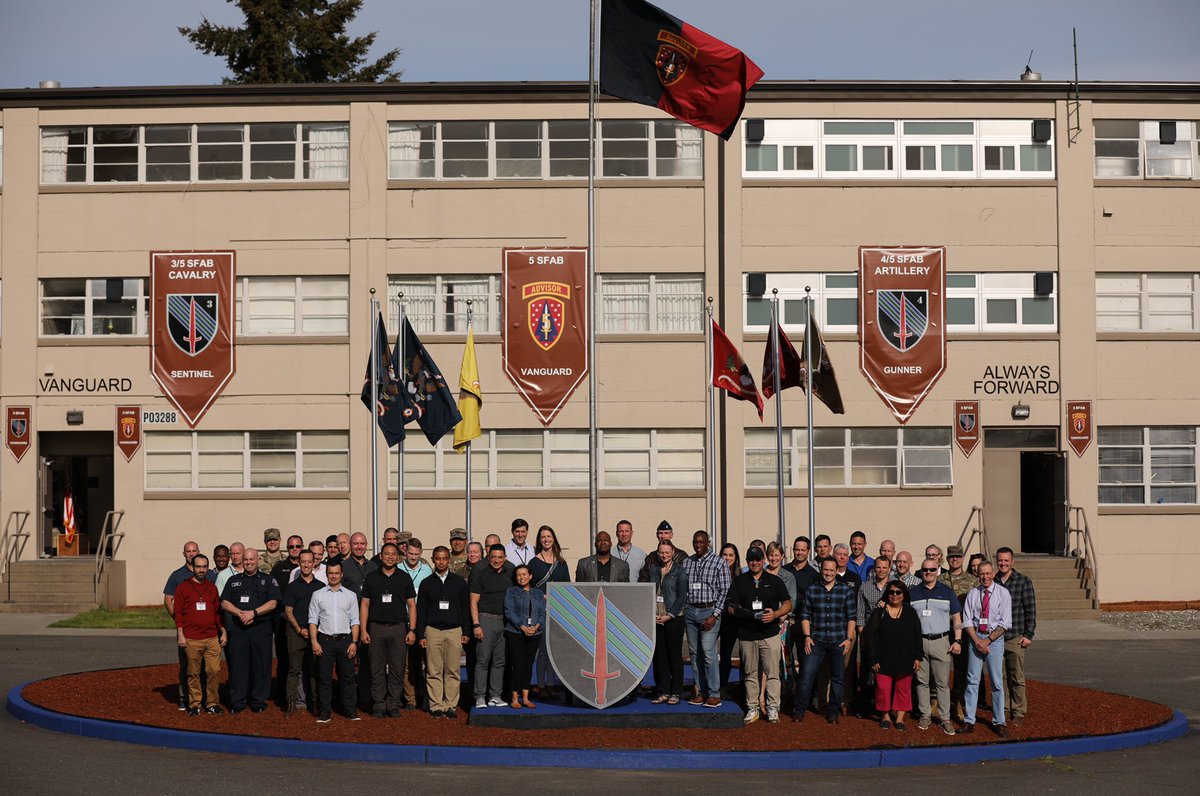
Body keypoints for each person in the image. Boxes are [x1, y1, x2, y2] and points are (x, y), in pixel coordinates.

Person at [727, 546, 792, 724]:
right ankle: (753, 707)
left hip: (770, 633)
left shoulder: (774, 580)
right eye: (751, 559)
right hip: (747, 635)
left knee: (772, 673)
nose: (754, 562)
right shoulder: (739, 581)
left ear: (763, 561)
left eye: (757, 559)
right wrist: (749, 615)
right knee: (750, 673)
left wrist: (776, 614)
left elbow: (787, 603)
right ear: (747, 561)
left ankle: (773, 708)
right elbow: (731, 607)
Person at [794, 557, 856, 724]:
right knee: (807, 675)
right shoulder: (812, 590)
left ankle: (833, 711)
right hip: (817, 640)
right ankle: (800, 710)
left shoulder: (845, 591)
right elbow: (805, 615)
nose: (828, 573)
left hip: (838, 640)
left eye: (831, 570)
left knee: (837, 678)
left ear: (836, 571)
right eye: (825, 570)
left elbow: (851, 617)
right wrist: (807, 636)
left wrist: (849, 639)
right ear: (821, 570)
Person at [220, 548, 281, 714]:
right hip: (239, 629)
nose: (248, 562)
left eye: (251, 559)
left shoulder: (268, 580)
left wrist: (253, 613)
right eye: (246, 559)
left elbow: (273, 603)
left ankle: (258, 701)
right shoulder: (233, 580)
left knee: (261, 665)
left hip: (261, 629)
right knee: (238, 666)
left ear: (257, 560)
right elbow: (225, 602)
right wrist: (240, 614)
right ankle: (237, 702)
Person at [360, 542, 416, 718]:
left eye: (393, 554)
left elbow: (412, 606)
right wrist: (363, 630)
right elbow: (365, 605)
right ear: (381, 556)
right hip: (376, 627)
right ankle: (378, 704)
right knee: (376, 668)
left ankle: (393, 703)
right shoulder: (371, 577)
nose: (390, 557)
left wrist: (412, 629)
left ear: (398, 556)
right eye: (386, 554)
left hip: (398, 628)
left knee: (397, 669)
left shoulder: (404, 578)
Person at [909, 558, 963, 735]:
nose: (928, 573)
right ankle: (925, 714)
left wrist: (957, 640)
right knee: (921, 681)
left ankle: (945, 717)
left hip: (941, 641)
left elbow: (956, 618)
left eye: (932, 569)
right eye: (925, 570)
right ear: (921, 571)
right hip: (919, 642)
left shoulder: (947, 592)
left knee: (942, 683)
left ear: (937, 570)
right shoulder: (913, 592)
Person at [418, 545, 471, 719]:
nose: (441, 561)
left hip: (454, 630)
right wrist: (421, 634)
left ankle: (450, 705)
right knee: (433, 670)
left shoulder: (458, 582)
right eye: (437, 558)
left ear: (449, 560)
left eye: (444, 558)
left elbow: (465, 608)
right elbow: (422, 610)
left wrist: (466, 631)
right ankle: (436, 705)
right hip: (433, 631)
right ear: (433, 559)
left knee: (452, 670)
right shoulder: (426, 583)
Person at [961, 560, 1011, 737]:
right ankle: (969, 720)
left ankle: (999, 721)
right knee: (972, 680)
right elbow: (967, 620)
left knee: (997, 682)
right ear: (978, 574)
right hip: (975, 638)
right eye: (982, 573)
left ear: (993, 573)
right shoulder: (973, 594)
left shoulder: (1003, 593)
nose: (985, 577)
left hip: (994, 640)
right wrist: (977, 641)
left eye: (988, 573)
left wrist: (988, 641)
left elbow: (1005, 623)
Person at [864, 580, 923, 731]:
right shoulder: (879, 612)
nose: (895, 595)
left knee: (903, 689)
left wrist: (917, 657)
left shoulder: (910, 612)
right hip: (883, 659)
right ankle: (885, 715)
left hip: (905, 658)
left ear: (904, 595)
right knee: (883, 689)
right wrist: (873, 659)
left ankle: (900, 718)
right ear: (887, 594)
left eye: (898, 592)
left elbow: (917, 636)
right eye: (891, 592)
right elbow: (870, 636)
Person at [682, 530, 731, 707]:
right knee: (694, 654)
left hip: (709, 611)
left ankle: (714, 693)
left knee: (708, 653)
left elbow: (725, 591)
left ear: (708, 542)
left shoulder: (719, 563)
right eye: (695, 542)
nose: (698, 545)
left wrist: (715, 614)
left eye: (701, 542)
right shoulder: (687, 562)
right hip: (690, 611)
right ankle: (701, 692)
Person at [308, 561, 361, 722]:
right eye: (331, 573)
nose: (333, 576)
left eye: (336, 573)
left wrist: (354, 642)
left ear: (341, 574)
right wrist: (314, 642)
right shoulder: (317, 595)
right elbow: (312, 621)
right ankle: (325, 711)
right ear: (327, 574)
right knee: (324, 678)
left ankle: (351, 710)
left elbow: (355, 621)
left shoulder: (351, 595)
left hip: (345, 640)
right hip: (325, 640)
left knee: (348, 678)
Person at [173, 553, 226, 715]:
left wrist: (222, 630)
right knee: (193, 673)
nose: (201, 570)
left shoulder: (212, 588)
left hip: (211, 637)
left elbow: (217, 613)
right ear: (193, 568)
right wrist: (180, 634)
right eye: (198, 566)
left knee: (214, 671)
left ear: (207, 568)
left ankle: (211, 703)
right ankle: (195, 704)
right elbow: (178, 613)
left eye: (204, 567)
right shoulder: (183, 588)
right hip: (191, 638)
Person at [995, 547, 1036, 728]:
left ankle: (1018, 710)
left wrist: (1028, 634)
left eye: (1006, 560)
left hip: (1015, 636)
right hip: (996, 637)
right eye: (1000, 560)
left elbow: (1030, 610)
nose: (1003, 563)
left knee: (1016, 676)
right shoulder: (993, 581)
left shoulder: (1023, 581)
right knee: (1000, 676)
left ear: (1012, 562)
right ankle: (1004, 707)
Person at [164, 540, 207, 710]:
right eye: (188, 551)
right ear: (184, 554)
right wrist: (178, 620)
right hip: (186, 630)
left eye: (194, 550)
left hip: (206, 629)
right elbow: (168, 599)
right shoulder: (177, 575)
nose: (191, 553)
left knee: (205, 665)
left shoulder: (208, 574)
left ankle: (203, 697)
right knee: (187, 664)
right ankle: (185, 697)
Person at [528, 525, 570, 699]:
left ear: (554, 539)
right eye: (543, 536)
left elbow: (567, 586)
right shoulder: (533, 562)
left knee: (554, 650)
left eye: (549, 536)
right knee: (542, 651)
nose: (546, 539)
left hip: (558, 611)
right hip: (541, 610)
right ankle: (541, 685)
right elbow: (528, 589)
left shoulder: (561, 562)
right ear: (539, 540)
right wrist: (541, 596)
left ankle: (551, 684)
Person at [470, 544, 514, 708]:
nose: (496, 560)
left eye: (500, 557)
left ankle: (495, 695)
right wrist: (476, 624)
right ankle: (480, 696)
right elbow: (473, 601)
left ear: (505, 558)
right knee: (483, 660)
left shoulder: (510, 574)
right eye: (493, 557)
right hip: (485, 620)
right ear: (488, 557)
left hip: (504, 622)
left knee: (499, 661)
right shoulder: (481, 574)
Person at [940, 544, 979, 722]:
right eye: (951, 557)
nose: (954, 559)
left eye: (958, 557)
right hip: (942, 629)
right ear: (947, 559)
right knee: (940, 669)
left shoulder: (972, 581)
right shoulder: (940, 579)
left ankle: (959, 703)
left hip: (963, 632)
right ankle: (939, 703)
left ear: (963, 558)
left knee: (961, 670)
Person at [283, 549, 324, 714]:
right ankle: (291, 702)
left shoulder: (321, 587)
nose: (306, 565)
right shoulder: (292, 587)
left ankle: (315, 702)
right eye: (303, 562)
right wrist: (299, 630)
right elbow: (288, 611)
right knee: (294, 669)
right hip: (296, 633)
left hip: (316, 634)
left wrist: (314, 632)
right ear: (299, 564)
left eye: (309, 561)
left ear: (314, 563)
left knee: (314, 669)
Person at [649, 540, 688, 705]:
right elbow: (650, 591)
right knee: (660, 656)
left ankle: (676, 692)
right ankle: (663, 690)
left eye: (667, 552)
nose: (664, 555)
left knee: (674, 656)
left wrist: (670, 615)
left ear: (673, 552)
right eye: (661, 552)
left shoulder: (679, 571)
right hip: (656, 618)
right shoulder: (654, 569)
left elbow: (682, 596)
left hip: (674, 619)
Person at [504, 564, 547, 709]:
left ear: (530, 576)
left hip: (535, 633)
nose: (521, 577)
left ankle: (526, 697)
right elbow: (509, 611)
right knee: (518, 664)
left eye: (524, 574)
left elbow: (542, 613)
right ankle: (515, 698)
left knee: (528, 665)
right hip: (515, 633)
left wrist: (536, 626)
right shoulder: (511, 592)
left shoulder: (539, 593)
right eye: (518, 575)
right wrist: (522, 626)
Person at [269, 533, 304, 706]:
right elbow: (274, 593)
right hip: (282, 618)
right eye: (291, 547)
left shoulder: (308, 566)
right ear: (287, 548)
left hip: (304, 619)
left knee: (304, 659)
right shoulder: (279, 568)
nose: (295, 549)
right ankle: (283, 695)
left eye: (298, 546)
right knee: (284, 657)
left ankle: (304, 695)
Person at [717, 543, 742, 699]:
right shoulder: (716, 572)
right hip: (718, 616)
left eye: (731, 555)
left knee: (734, 653)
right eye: (724, 555)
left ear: (736, 557)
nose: (727, 558)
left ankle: (732, 685)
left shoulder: (740, 576)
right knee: (718, 654)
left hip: (734, 620)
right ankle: (717, 685)